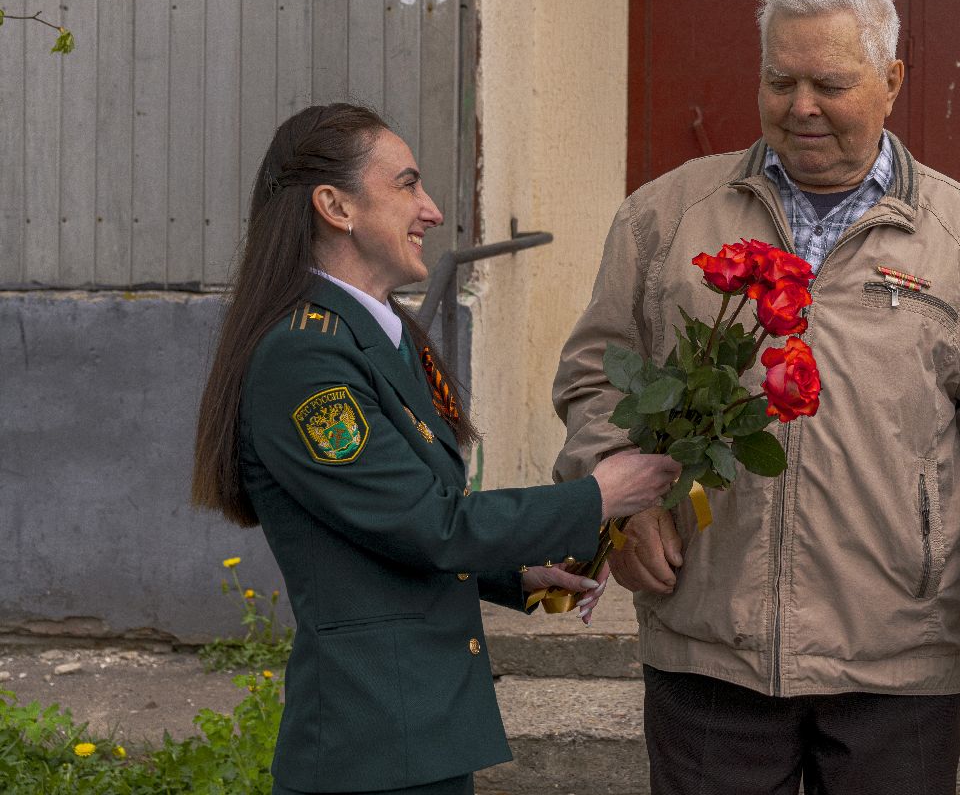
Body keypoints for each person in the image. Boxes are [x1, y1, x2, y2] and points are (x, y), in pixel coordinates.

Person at [553, 0, 960, 794]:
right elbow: (594, 383)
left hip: (895, 655)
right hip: (708, 642)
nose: (799, 108)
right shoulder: (665, 215)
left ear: (890, 79)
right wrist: (624, 503)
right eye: (778, 81)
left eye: (828, 84)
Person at [191, 102, 679, 795]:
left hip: (413, 729)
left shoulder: (380, 336)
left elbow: (397, 525)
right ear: (335, 205)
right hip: (370, 742)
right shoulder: (305, 356)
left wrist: (518, 573)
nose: (431, 210)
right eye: (407, 184)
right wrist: (599, 494)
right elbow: (429, 526)